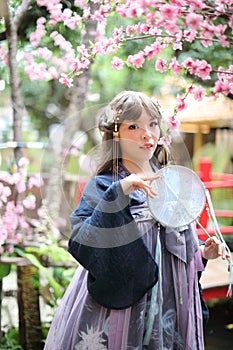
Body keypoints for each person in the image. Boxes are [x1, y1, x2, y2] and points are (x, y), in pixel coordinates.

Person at [44, 91, 228, 350]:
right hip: (120, 303)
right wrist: (118, 194)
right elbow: (81, 239)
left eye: (152, 124)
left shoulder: (171, 182)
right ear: (116, 132)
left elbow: (173, 247)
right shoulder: (104, 184)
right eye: (134, 126)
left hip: (168, 300)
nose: (147, 134)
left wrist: (201, 254)